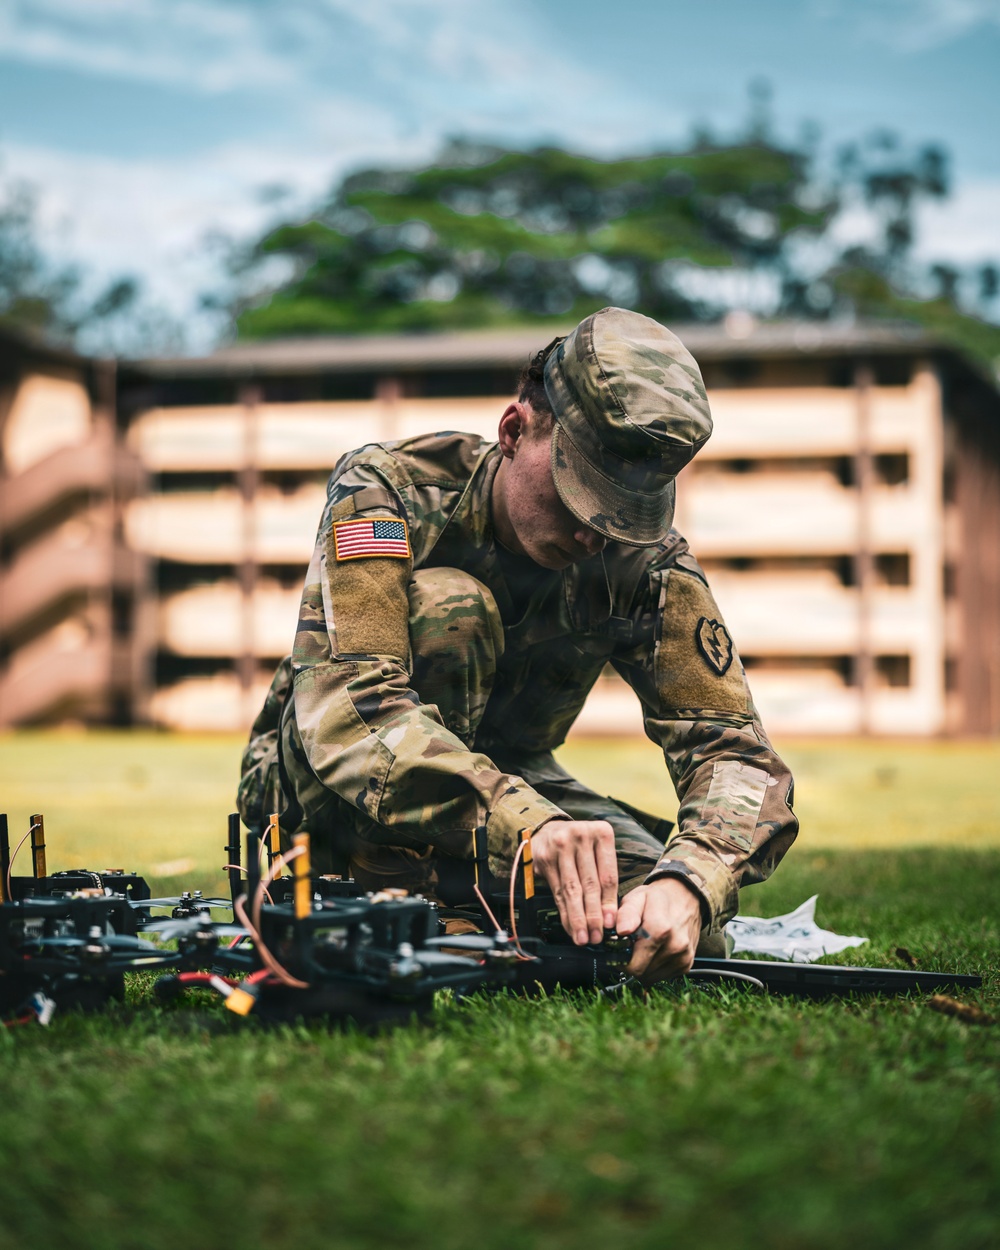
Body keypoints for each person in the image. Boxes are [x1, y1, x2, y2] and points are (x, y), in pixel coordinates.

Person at [238, 307, 797, 984]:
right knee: (453, 607)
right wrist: (527, 824)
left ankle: (474, 909)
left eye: (624, 514)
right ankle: (411, 902)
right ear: (513, 430)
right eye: (578, 494)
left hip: (512, 792)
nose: (594, 535)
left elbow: (735, 753)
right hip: (325, 793)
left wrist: (690, 881)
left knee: (672, 932)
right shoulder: (391, 494)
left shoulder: (641, 563)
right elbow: (351, 712)